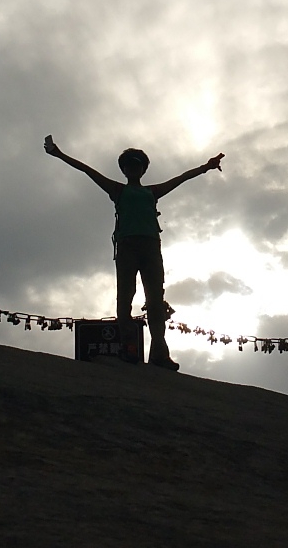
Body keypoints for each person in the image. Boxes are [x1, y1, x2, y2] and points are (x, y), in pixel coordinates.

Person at [44, 134, 223, 371]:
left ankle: (159, 352)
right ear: (124, 169)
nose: (133, 168)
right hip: (127, 246)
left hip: (151, 247)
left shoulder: (151, 192)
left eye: (137, 165)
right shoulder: (118, 190)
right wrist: (58, 153)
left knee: (156, 301)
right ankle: (127, 347)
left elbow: (180, 179)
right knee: (125, 297)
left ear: (143, 169)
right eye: (129, 165)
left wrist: (206, 167)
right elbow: (87, 170)